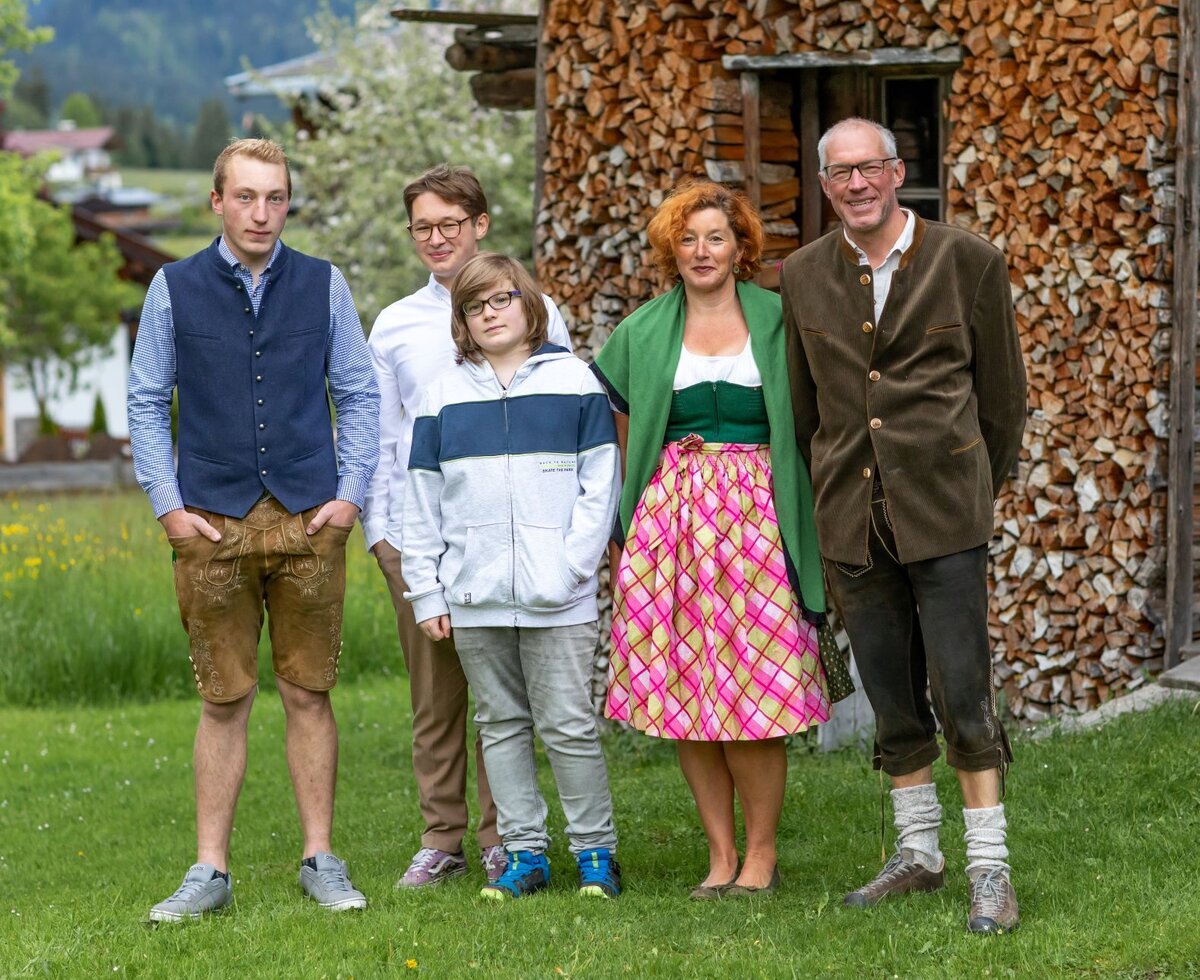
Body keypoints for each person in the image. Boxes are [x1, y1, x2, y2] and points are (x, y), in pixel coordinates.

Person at [781, 117, 1027, 933]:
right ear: (825, 186)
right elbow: (807, 408)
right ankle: (919, 854)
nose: (856, 184)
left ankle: (989, 866)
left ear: (897, 172)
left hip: (946, 513)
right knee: (890, 693)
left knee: (964, 692)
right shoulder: (802, 274)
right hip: (853, 519)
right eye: (839, 173)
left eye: (869, 168)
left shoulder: (968, 260)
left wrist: (968, 487)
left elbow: (1003, 401)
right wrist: (830, 490)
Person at [127, 138, 380, 921]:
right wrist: (169, 508)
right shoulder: (172, 288)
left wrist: (349, 498)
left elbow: (359, 393)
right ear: (217, 201)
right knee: (223, 699)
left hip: (310, 520)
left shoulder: (324, 283)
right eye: (245, 197)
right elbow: (146, 400)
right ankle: (210, 871)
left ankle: (321, 859)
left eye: (275, 198)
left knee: (309, 692)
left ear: (287, 203)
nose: (261, 213)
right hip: (210, 523)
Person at [592, 179, 830, 899]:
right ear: (672, 250)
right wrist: (624, 533)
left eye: (716, 238)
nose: (702, 251)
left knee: (758, 692)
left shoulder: (781, 320)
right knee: (686, 693)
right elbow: (624, 443)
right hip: (671, 523)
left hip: (762, 521)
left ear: (740, 248)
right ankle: (720, 855)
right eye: (688, 239)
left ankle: (761, 853)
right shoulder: (641, 333)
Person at [362, 165, 574, 888]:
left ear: (480, 224)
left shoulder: (535, 310)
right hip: (418, 537)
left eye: (450, 223)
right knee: (435, 699)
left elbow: (561, 415)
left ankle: (504, 836)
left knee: (503, 697)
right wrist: (382, 535)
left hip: (510, 538)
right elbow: (381, 437)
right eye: (423, 227)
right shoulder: (395, 324)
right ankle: (441, 837)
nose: (437, 238)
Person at [401, 252, 622, 900]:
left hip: (561, 595)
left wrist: (571, 568)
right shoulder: (441, 396)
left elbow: (600, 485)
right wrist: (428, 592)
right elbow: (422, 503)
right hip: (475, 594)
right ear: (462, 321)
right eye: (475, 306)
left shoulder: (575, 382)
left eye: (502, 300)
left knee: (569, 725)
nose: (490, 314)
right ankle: (524, 854)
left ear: (530, 306)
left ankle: (596, 853)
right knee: (498, 725)